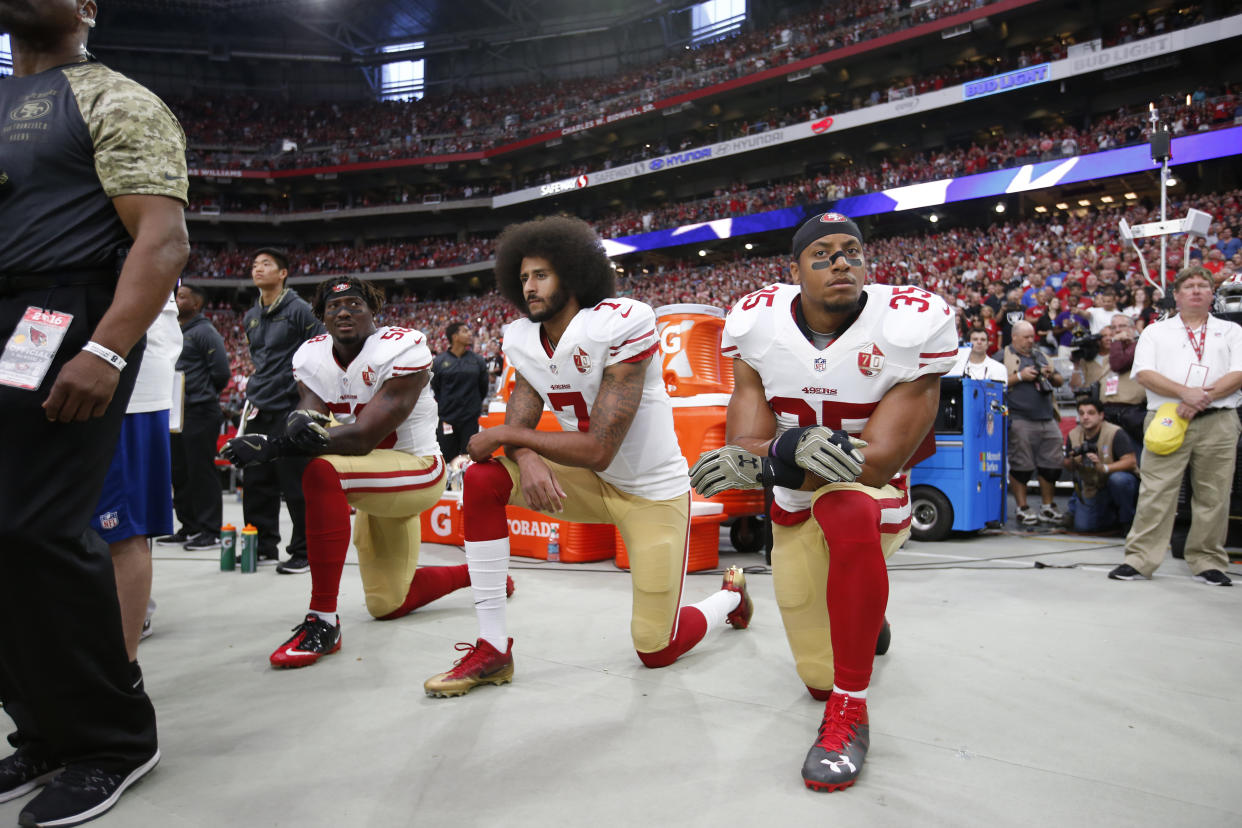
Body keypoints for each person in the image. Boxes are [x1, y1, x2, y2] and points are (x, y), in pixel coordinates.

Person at [422, 216, 753, 698]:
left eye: (541, 275)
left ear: (573, 274)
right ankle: (492, 647)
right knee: (483, 477)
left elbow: (599, 448)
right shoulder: (522, 337)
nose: (529, 287)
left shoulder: (621, 322)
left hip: (650, 495)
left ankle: (729, 597)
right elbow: (521, 425)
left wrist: (513, 437)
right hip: (588, 485)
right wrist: (525, 453)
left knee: (655, 648)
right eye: (523, 278)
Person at [689, 211, 958, 792]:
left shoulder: (909, 324)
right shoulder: (759, 324)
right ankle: (867, 618)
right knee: (815, 676)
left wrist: (772, 458)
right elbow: (745, 443)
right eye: (823, 253)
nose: (841, 261)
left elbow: (876, 462)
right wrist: (784, 449)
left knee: (847, 507)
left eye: (852, 251)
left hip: (874, 494)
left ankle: (851, 711)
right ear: (793, 271)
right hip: (792, 502)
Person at [0, 2, 189, 824]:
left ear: (87, 9)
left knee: (38, 530)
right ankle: (46, 728)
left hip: (67, 312)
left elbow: (161, 239)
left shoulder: (116, 97)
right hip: (8, 312)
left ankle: (114, 739)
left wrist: (107, 349)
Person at [222, 277, 505, 668]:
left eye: (355, 304)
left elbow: (362, 437)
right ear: (320, 316)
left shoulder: (401, 347)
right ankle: (477, 574)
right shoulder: (312, 356)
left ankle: (322, 620)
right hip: (370, 479)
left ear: (373, 311)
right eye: (334, 306)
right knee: (389, 603)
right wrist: (291, 429)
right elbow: (311, 418)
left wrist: (272, 448)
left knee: (322, 471)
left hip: (417, 470)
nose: (344, 312)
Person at [1111, 266, 1242, 586]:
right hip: (1168, 417)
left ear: (1212, 294)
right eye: (1190, 286)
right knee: (1156, 491)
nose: (1196, 290)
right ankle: (1140, 559)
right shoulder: (1157, 332)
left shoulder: (1232, 332)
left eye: (1203, 286)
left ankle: (1208, 559)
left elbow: (1239, 373)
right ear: (1177, 295)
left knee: (1214, 495)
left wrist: (1200, 398)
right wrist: (1185, 393)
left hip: (1219, 420)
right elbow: (1144, 373)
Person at [92, 293, 181, 659]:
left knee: (118, 531)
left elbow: (163, 250)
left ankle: (120, 670)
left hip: (120, 382)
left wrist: (103, 355)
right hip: (50, 370)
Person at [241, 248, 324, 573]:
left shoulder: (300, 310)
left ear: (283, 273)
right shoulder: (251, 315)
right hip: (259, 405)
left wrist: (307, 403)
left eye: (265, 264)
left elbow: (319, 350)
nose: (257, 269)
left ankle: (303, 551)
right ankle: (262, 545)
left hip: (291, 406)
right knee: (256, 478)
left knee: (296, 483)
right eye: (254, 264)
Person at [157, 283, 228, 551]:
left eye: (182, 296)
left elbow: (221, 372)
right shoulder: (173, 330)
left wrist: (200, 394)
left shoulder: (205, 332)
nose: (176, 299)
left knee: (201, 471)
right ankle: (189, 526)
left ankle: (211, 530)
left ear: (196, 303)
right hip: (176, 411)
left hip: (200, 409)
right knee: (180, 471)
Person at [1003, 321, 1066, 526]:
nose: (1031, 340)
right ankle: (1022, 507)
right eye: (1026, 337)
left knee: (1051, 464)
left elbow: (1059, 381)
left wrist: (1050, 374)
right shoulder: (1002, 356)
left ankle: (1047, 506)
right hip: (1020, 418)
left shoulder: (1041, 355)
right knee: (1022, 465)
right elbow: (995, 381)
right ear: (1014, 337)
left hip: (1047, 417)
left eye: (1032, 336)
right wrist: (1020, 376)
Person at [1063, 398, 1139, 532]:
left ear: (1101, 415)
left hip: (1114, 481)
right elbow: (1067, 465)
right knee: (1084, 527)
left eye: (1091, 413)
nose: (1085, 417)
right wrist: (1073, 460)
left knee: (1119, 480)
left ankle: (1127, 520)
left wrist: (1103, 467)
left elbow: (1131, 461)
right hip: (1092, 485)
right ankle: (1110, 517)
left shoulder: (1115, 432)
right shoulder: (1073, 434)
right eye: (1081, 413)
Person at [430, 321, 489, 460]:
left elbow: (483, 387)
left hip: (470, 418)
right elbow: (436, 387)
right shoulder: (439, 362)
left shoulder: (478, 360)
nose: (470, 334)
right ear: (454, 336)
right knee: (447, 459)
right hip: (447, 418)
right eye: (465, 331)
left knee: (469, 458)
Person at [1099, 314, 1147, 447]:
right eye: (1114, 328)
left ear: (1132, 329)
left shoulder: (1141, 347)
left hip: (1131, 413)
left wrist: (1115, 341)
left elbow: (1118, 364)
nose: (1118, 330)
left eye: (1122, 326)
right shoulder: (1110, 355)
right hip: (1108, 411)